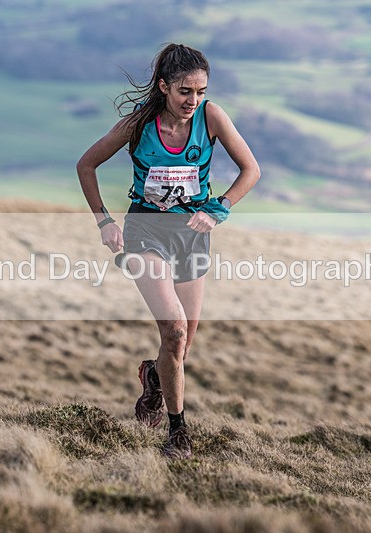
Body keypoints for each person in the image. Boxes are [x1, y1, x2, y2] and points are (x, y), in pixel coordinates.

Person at [76, 43, 260, 459]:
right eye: (184, 91)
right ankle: (178, 433)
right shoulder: (138, 124)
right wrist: (104, 221)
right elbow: (86, 165)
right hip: (146, 231)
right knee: (174, 330)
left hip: (193, 235)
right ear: (163, 87)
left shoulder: (211, 117)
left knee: (183, 345)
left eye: (200, 91)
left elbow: (251, 170)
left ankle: (155, 377)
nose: (193, 100)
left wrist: (218, 209)